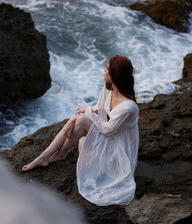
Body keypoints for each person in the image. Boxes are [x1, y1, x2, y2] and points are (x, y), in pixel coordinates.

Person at [22, 55, 139, 206]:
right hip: (110, 134)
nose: (104, 70)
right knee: (78, 121)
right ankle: (48, 156)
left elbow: (109, 130)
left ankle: (51, 156)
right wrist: (85, 113)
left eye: (108, 69)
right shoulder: (109, 88)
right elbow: (101, 109)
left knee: (81, 121)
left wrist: (85, 113)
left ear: (115, 75)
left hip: (119, 147)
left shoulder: (128, 106)